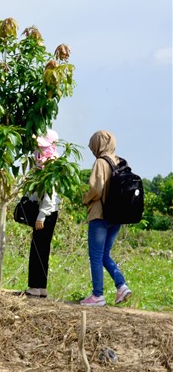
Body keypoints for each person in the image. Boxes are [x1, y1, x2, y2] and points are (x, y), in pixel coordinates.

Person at [80, 130, 132, 307]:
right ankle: (121, 285)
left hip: (99, 215)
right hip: (116, 217)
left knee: (95, 256)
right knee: (104, 254)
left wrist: (85, 198)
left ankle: (97, 295)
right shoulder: (121, 162)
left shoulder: (100, 162)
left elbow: (96, 189)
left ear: (98, 144)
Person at [21, 130, 60, 298]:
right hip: (48, 211)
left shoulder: (50, 164)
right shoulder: (43, 163)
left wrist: (41, 215)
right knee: (42, 249)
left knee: (38, 249)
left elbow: (50, 193)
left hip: (46, 211)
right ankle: (40, 287)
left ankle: (35, 286)